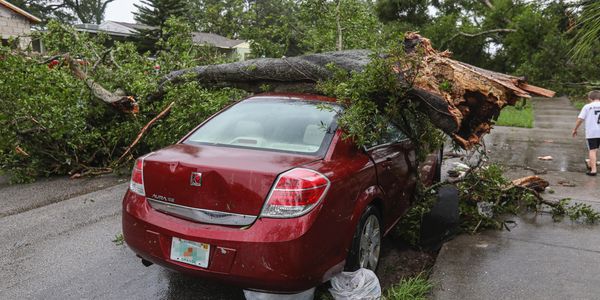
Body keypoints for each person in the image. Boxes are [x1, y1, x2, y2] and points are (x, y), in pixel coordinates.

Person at [572, 90, 600, 176]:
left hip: (592, 132)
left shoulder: (587, 107)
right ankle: (591, 164)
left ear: (590, 98)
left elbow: (580, 119)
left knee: (592, 150)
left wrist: (575, 129)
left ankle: (593, 170)